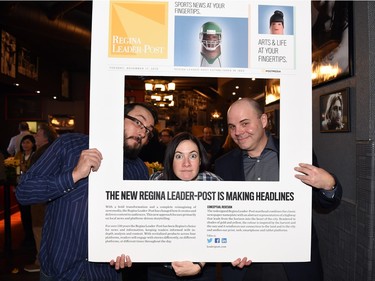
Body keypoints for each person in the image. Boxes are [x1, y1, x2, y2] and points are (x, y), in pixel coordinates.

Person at [16, 102, 157, 280]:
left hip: (104, 273)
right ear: (116, 119)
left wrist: (128, 248)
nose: (143, 133)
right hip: (59, 270)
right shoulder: (70, 144)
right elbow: (24, 192)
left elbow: (134, 223)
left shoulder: (139, 170)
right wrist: (74, 175)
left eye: (149, 131)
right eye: (138, 122)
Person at [215, 98, 343, 281]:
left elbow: (322, 202)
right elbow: (220, 217)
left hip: (291, 265)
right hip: (244, 267)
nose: (238, 132)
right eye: (231, 126)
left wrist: (329, 184)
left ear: (264, 121)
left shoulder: (296, 154)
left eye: (244, 123)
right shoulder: (223, 165)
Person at [149, 132, 250, 280]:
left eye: (193, 156)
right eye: (179, 156)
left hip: (202, 271)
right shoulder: (156, 181)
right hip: (161, 271)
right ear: (170, 160)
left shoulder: (214, 183)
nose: (186, 163)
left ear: (200, 159)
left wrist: (200, 261)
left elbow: (224, 229)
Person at [23, 123, 58, 273]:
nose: (35, 136)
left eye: (38, 134)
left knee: (39, 229)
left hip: (40, 196)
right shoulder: (52, 150)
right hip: (48, 196)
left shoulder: (42, 153)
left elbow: (37, 175)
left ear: (45, 137)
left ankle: (41, 262)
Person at [14, 134, 37, 249]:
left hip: (32, 189)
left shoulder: (35, 156)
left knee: (31, 214)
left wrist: (25, 169)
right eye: (23, 142)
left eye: (28, 142)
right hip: (20, 187)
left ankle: (33, 238)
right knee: (23, 214)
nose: (25, 145)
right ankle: (26, 236)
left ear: (33, 144)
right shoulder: (18, 155)